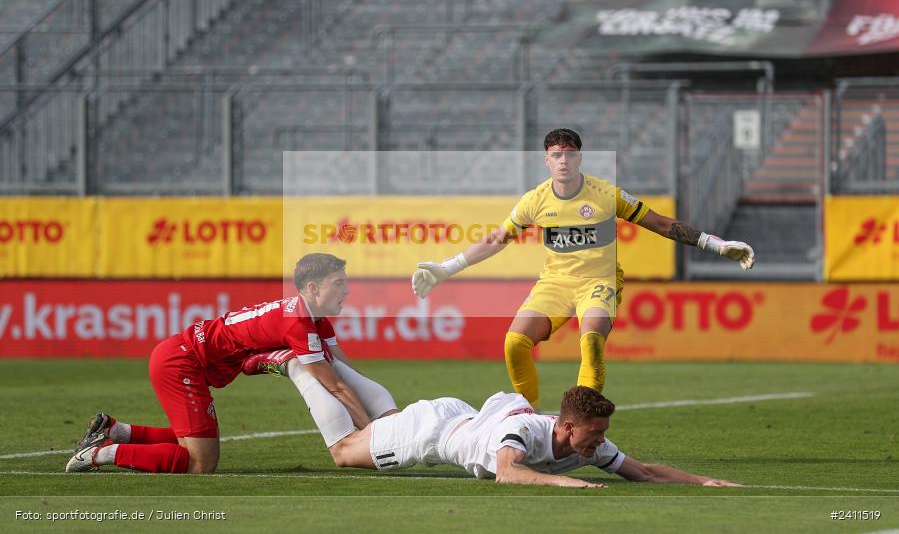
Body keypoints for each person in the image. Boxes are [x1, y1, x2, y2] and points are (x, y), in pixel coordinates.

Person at [412, 128, 755, 409]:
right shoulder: (535, 200)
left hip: (598, 282)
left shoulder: (606, 194)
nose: (563, 161)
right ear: (546, 160)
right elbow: (497, 239)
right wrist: (447, 268)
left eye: (570, 154)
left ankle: (581, 422)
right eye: (556, 155)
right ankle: (528, 418)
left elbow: (662, 224)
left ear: (580, 158)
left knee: (590, 341)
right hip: (555, 284)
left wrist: (716, 245)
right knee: (514, 343)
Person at [65, 253, 396, 474]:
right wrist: (373, 433)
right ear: (313, 288)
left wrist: (375, 418)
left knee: (196, 448)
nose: (347, 291)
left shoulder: (314, 318)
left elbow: (346, 372)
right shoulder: (298, 322)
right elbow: (335, 386)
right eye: (339, 283)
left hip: (185, 358)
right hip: (181, 362)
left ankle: (117, 431)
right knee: (200, 463)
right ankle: (100, 453)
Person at [325, 385, 741, 488]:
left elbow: (645, 472)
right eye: (595, 433)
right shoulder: (524, 431)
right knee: (343, 452)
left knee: (373, 429)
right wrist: (566, 483)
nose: (601, 442)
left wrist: (704, 481)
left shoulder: (590, 446)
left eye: (603, 434)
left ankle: (314, 357)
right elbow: (507, 473)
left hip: (462, 417)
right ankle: (299, 363)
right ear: (567, 427)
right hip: (429, 433)